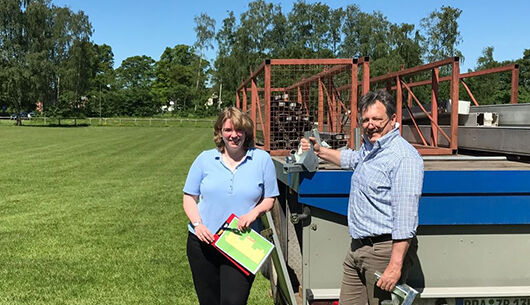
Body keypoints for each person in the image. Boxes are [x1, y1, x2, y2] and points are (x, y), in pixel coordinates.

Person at [301, 90, 424, 305]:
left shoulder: (403, 157)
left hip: (383, 253)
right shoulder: (371, 150)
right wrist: (321, 151)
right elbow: (352, 159)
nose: (370, 125)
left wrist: (395, 266)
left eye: (377, 119)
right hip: (358, 248)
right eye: (366, 120)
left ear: (393, 120)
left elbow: (406, 217)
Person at [183, 107, 279, 305]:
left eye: (239, 130)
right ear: (220, 132)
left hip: (241, 243)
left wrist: (253, 214)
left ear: (247, 133)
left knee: (234, 301)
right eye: (228, 130)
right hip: (203, 243)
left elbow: (270, 198)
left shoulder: (262, 160)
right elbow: (189, 197)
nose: (234, 135)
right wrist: (198, 225)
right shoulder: (204, 159)